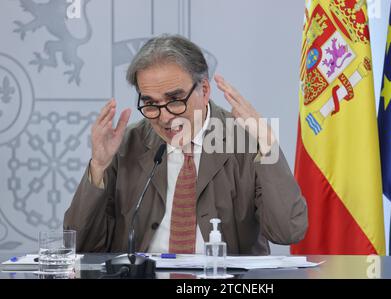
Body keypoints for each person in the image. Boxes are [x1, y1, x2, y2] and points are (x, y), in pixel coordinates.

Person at [64, 34, 307, 255]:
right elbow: (80, 246)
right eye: (151, 103)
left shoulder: (245, 139)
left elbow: (287, 231)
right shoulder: (126, 144)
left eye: (175, 100)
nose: (165, 117)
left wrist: (268, 146)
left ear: (204, 89)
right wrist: (98, 167)